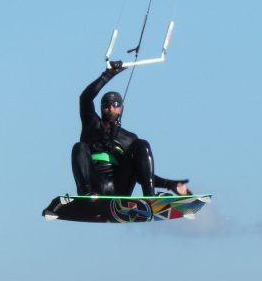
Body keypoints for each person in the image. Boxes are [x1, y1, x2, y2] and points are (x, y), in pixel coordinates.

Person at [70, 61, 190, 197]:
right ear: (102, 108)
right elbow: (85, 98)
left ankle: (149, 197)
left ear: (121, 108)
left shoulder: (129, 138)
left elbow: (142, 173)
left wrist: (170, 184)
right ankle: (86, 195)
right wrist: (108, 74)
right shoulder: (91, 124)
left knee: (142, 144)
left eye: (115, 104)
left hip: (119, 187)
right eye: (106, 105)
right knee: (79, 147)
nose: (111, 108)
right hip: (95, 185)